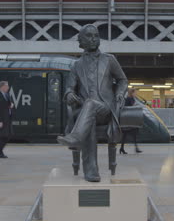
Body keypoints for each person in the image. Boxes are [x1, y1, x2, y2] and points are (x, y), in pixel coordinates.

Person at [56, 24, 128, 182]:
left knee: (90, 104)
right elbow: (69, 88)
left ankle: (75, 137)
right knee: (89, 112)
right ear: (81, 41)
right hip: (85, 112)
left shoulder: (109, 60)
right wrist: (69, 94)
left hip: (106, 109)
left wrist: (120, 94)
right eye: (89, 36)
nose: (94, 38)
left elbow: (122, 80)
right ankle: (91, 171)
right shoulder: (77, 65)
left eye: (96, 35)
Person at [0, 81, 14, 158]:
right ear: (2, 87)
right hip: (1, 119)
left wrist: (11, 105)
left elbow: (8, 104)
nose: (8, 87)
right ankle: (0, 153)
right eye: (7, 86)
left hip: (7, 118)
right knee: (1, 136)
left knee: (9, 135)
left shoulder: (7, 95)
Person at [120, 88, 142, 154]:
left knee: (129, 134)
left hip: (130, 119)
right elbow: (128, 107)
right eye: (135, 93)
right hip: (128, 119)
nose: (135, 94)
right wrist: (136, 106)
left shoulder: (131, 98)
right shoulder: (128, 99)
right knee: (126, 134)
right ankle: (124, 148)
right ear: (131, 93)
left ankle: (123, 148)